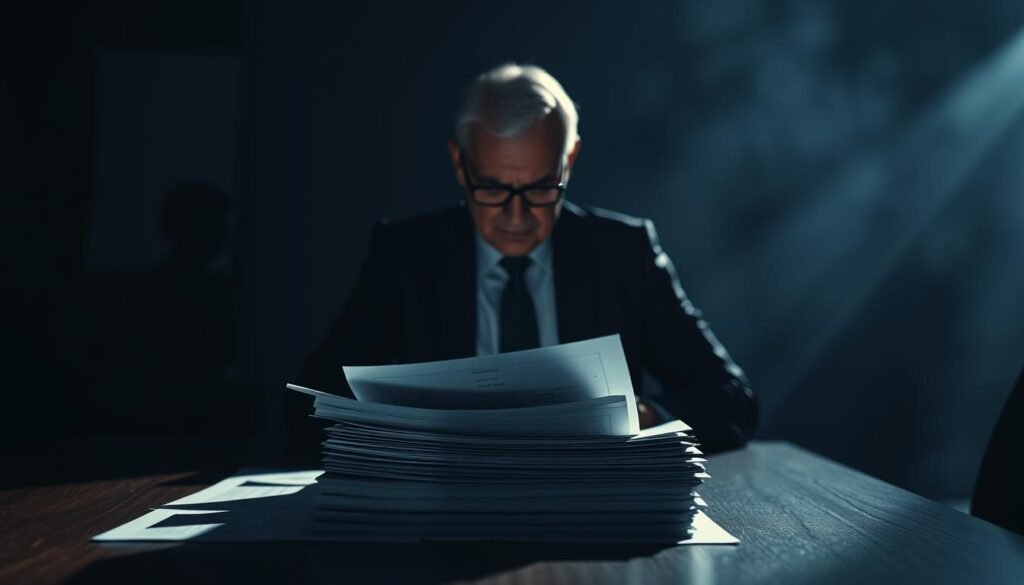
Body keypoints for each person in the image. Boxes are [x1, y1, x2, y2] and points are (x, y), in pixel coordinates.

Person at [287, 63, 757, 463]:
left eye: (539, 188)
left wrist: (643, 415)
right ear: (459, 163)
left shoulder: (624, 254)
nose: (516, 216)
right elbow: (309, 405)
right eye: (491, 189)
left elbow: (730, 399)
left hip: (592, 510)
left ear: (568, 161)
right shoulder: (405, 256)